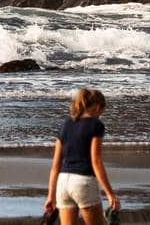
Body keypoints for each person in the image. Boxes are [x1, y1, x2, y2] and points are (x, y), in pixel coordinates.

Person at [45, 87, 120, 224]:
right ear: (98, 107)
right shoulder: (96, 125)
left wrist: (50, 196)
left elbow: (55, 165)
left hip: (63, 183)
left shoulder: (66, 124)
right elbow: (96, 162)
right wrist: (110, 194)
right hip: (83, 181)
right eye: (102, 111)